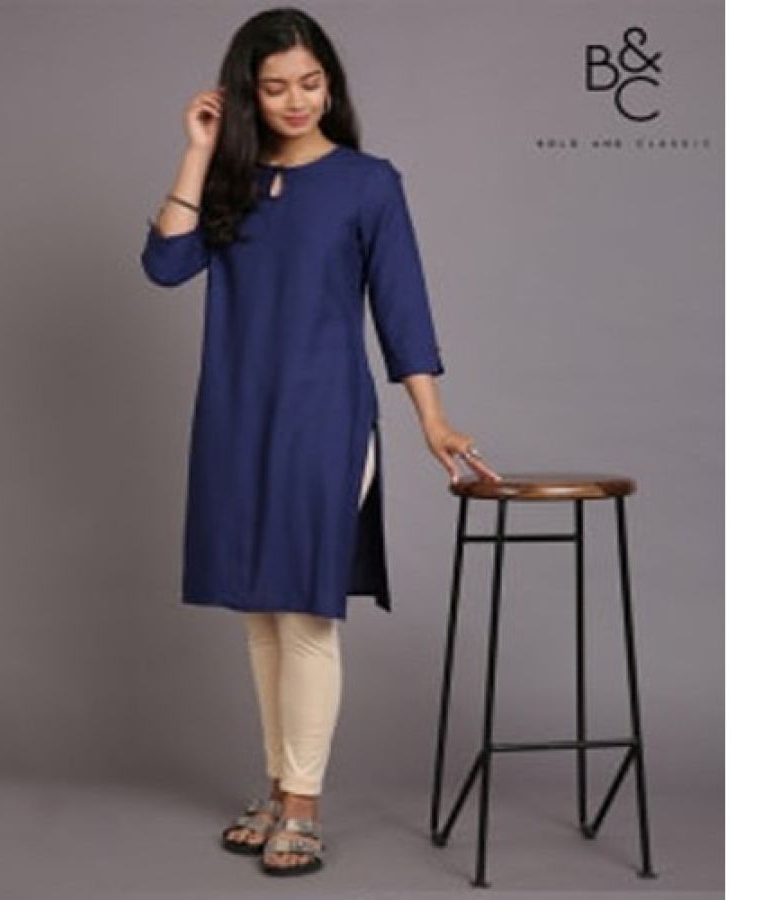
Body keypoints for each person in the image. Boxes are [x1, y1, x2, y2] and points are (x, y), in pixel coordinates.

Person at [139, 6, 501, 878]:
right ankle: (276, 788)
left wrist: (432, 419)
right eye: (275, 88)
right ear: (247, 93)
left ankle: (302, 804)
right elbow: (165, 265)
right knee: (261, 614)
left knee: (303, 611)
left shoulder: (368, 183)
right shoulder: (229, 181)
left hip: (323, 418)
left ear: (330, 85)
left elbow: (403, 309)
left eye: (310, 83)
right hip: (235, 415)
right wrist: (197, 151)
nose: (296, 100)